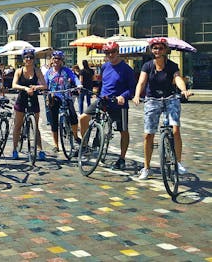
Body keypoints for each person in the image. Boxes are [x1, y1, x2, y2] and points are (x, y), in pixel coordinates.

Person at [132, 37, 192, 179]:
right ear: (151, 50)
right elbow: (141, 82)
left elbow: (178, 78)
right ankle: (146, 168)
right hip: (152, 99)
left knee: (176, 129)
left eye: (160, 48)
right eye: (155, 48)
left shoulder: (172, 65)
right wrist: (136, 95)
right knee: (148, 134)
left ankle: (178, 162)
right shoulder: (147, 66)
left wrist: (183, 90)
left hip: (170, 98)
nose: (157, 50)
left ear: (165, 50)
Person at [79, 41, 136, 170]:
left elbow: (132, 88)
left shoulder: (126, 69)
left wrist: (123, 96)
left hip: (118, 103)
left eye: (113, 52)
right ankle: (85, 145)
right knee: (83, 118)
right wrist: (96, 92)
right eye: (107, 52)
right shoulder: (105, 66)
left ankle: (121, 158)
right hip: (103, 99)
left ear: (118, 52)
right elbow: (103, 83)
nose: (111, 55)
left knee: (124, 131)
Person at [44, 51, 82, 157]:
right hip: (53, 97)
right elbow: (44, 83)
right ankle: (56, 145)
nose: (56, 60)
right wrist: (43, 89)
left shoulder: (67, 71)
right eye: (55, 58)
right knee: (53, 121)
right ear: (52, 60)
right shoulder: (49, 72)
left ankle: (75, 136)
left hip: (66, 96)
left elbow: (74, 78)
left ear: (62, 61)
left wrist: (78, 85)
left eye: (59, 59)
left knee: (73, 115)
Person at [11, 48, 47, 159]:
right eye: (26, 57)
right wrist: (25, 88)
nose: (28, 59)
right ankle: (15, 149)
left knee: (36, 126)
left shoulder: (37, 71)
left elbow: (45, 85)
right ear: (23, 59)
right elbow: (14, 85)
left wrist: (36, 87)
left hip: (33, 98)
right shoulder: (19, 71)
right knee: (18, 125)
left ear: (33, 59)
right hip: (22, 98)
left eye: (31, 57)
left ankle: (40, 150)